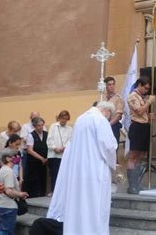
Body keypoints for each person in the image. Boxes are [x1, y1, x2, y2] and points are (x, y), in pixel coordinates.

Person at [46, 101, 117, 235]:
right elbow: (108, 146)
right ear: (106, 111)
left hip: (78, 169)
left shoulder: (80, 119)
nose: (108, 118)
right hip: (96, 169)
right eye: (109, 116)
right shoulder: (100, 120)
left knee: (79, 204)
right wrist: (113, 163)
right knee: (96, 205)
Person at [126, 76, 156, 194]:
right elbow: (138, 111)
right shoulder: (132, 96)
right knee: (133, 156)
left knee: (140, 156)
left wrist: (149, 117)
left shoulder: (142, 97)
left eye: (148, 89)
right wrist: (149, 102)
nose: (146, 90)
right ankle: (131, 185)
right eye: (145, 88)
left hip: (144, 126)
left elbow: (143, 114)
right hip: (137, 127)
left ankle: (137, 183)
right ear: (139, 85)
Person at [0, 148, 29, 235]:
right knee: (6, 232)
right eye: (15, 156)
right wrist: (21, 194)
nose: (18, 157)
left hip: (3, 204)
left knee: (2, 229)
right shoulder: (8, 171)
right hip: (8, 205)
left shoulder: (3, 169)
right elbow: (9, 191)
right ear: (8, 158)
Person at [46, 110, 73, 195]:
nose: (64, 120)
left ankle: (62, 193)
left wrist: (64, 148)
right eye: (62, 118)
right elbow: (49, 139)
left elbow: (71, 141)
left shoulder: (70, 129)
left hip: (64, 155)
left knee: (63, 175)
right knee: (54, 174)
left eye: (66, 119)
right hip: (53, 155)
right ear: (59, 118)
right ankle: (54, 191)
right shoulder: (53, 126)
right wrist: (54, 148)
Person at [25, 117, 48, 198]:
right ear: (35, 126)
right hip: (33, 162)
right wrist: (41, 158)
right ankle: (33, 196)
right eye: (39, 125)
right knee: (34, 180)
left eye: (42, 125)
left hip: (44, 162)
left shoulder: (46, 134)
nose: (41, 127)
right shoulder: (31, 135)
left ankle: (42, 195)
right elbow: (30, 150)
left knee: (43, 179)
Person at [104, 76, 124, 146]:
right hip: (103, 126)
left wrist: (108, 125)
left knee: (113, 147)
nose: (112, 86)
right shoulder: (103, 98)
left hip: (113, 126)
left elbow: (118, 115)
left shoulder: (118, 98)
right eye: (109, 85)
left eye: (113, 84)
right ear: (105, 86)